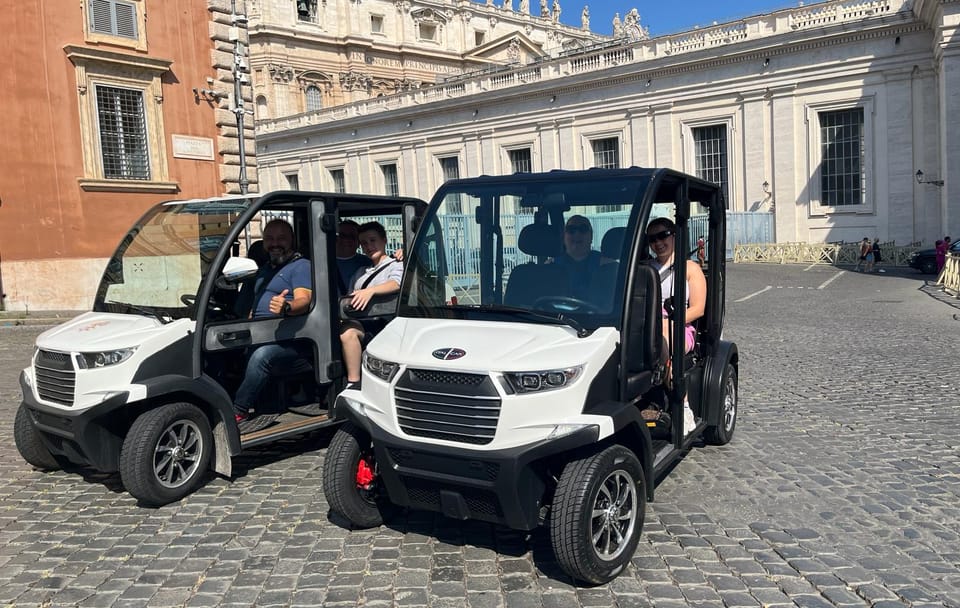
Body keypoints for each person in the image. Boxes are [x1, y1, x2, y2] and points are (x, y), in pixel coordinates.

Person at [233, 219, 313, 422]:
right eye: (269, 238)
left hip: (292, 342)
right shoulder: (265, 269)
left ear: (292, 241)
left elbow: (304, 299)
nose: (275, 243)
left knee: (262, 356)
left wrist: (286, 307)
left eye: (281, 238)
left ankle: (238, 411)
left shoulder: (300, 266)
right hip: (260, 334)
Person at [647, 217, 706, 435]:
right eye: (652, 238)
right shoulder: (645, 268)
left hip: (681, 325)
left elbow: (698, 308)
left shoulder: (690, 268)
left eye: (663, 235)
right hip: (647, 326)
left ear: (674, 236)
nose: (658, 242)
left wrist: (668, 321)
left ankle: (684, 407)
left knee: (662, 333)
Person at [340, 221, 404, 389]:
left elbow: (397, 283)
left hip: (385, 324)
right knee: (344, 331)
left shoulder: (396, 264)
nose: (369, 246)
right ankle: (352, 382)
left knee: (348, 333)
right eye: (364, 243)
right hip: (362, 321)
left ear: (384, 240)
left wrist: (371, 291)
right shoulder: (360, 272)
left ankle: (354, 382)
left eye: (373, 240)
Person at [550, 215, 608, 300]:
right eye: (571, 230)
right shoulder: (550, 267)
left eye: (583, 229)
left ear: (591, 236)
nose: (577, 233)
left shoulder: (607, 266)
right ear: (563, 237)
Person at [335, 220, 372, 294]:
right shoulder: (322, 263)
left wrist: (400, 254)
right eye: (342, 236)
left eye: (352, 236)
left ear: (359, 242)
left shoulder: (369, 263)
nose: (346, 239)